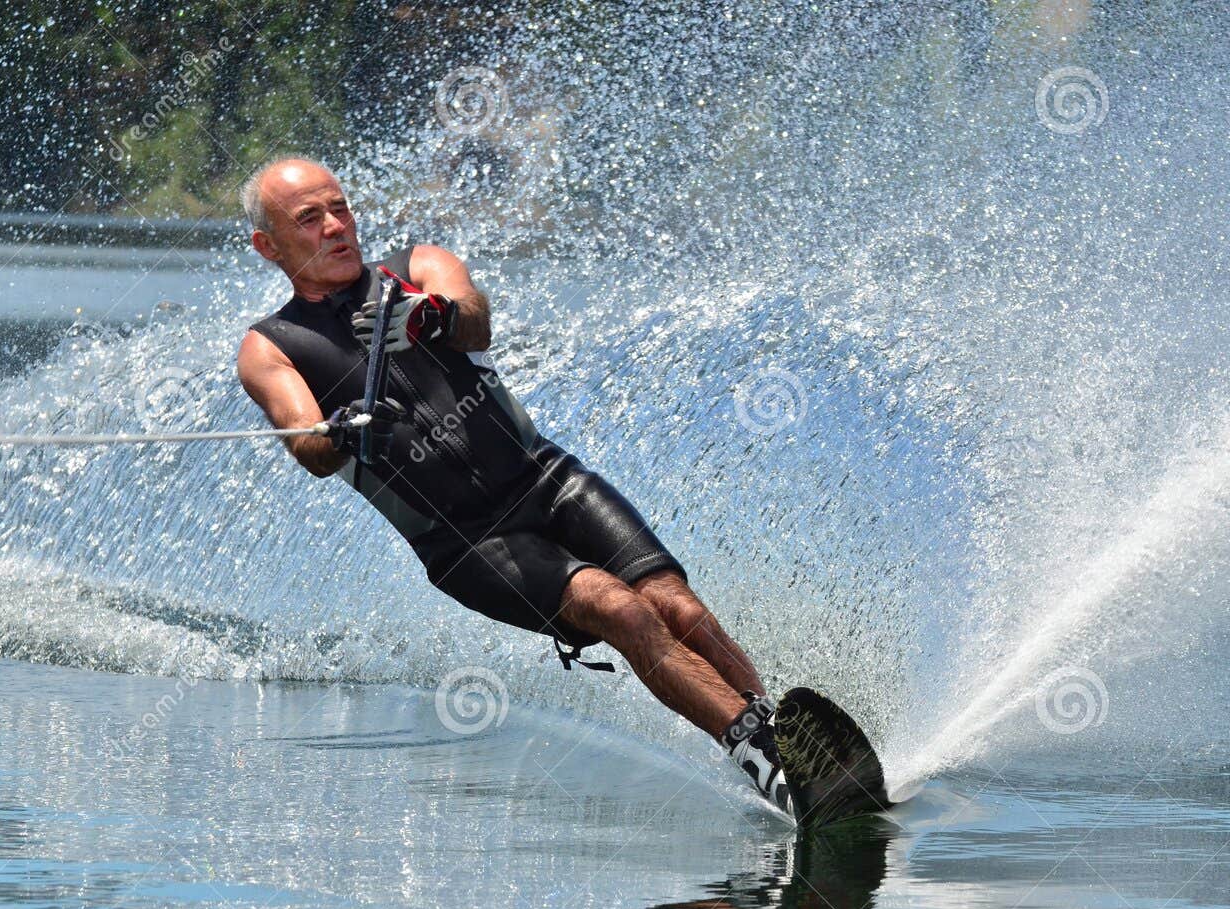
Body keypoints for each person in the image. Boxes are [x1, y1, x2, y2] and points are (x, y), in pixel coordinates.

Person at [235, 156, 859, 825]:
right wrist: (349, 430)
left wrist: (429, 319)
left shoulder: (413, 270)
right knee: (620, 610)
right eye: (310, 218)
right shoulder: (271, 347)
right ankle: (759, 756)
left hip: (548, 479)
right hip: (469, 543)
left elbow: (474, 316)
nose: (336, 226)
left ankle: (783, 740)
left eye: (341, 207)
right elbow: (308, 447)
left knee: (677, 607)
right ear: (269, 245)